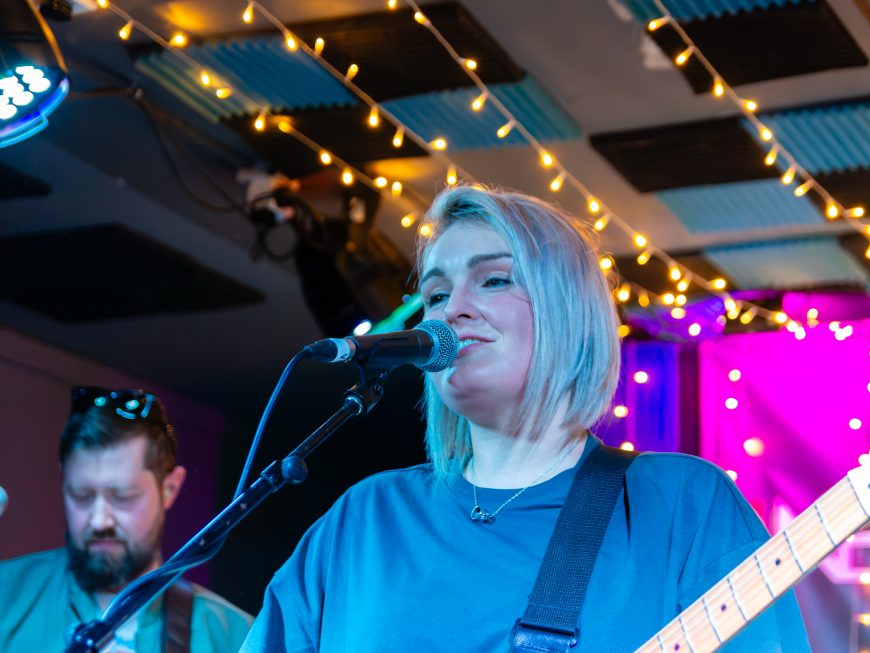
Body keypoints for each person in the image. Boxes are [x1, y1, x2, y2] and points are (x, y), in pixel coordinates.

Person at [241, 185, 811, 651]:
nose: (451, 309)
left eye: (494, 280)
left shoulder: (682, 505)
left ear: (570, 313)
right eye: (435, 295)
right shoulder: (365, 520)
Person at [0, 386, 253, 653]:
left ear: (169, 488)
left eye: (123, 496)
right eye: (81, 495)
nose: (99, 521)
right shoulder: (5, 594)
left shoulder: (237, 638)